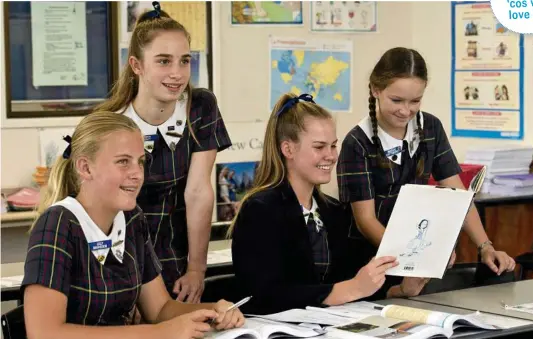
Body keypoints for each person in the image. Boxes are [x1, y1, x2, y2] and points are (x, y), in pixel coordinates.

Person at [23, 112, 244, 339]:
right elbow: (44, 333)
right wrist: (158, 333)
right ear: (85, 168)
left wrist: (212, 312)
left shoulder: (132, 219)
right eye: (123, 162)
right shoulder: (58, 224)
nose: (138, 174)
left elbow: (159, 309)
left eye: (140, 162)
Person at [337, 47, 515, 293]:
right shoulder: (357, 143)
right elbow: (365, 220)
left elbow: (458, 195)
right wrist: (413, 259)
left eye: (415, 101)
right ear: (375, 90)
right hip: (370, 265)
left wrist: (485, 246)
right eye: (396, 100)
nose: (405, 110)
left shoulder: (430, 128)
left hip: (414, 258)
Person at [95, 2, 232, 302]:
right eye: (163, 61)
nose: (177, 73)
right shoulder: (111, 122)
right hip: (120, 259)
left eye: (184, 61)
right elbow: (100, 211)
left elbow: (198, 191)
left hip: (177, 258)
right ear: (137, 65)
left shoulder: (201, 106)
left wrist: (197, 269)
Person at [228, 93, 406, 315]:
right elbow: (264, 294)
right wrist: (349, 289)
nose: (331, 156)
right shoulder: (260, 209)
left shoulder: (334, 211)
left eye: (333, 146)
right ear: (288, 149)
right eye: (319, 147)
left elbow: (353, 278)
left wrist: (397, 289)